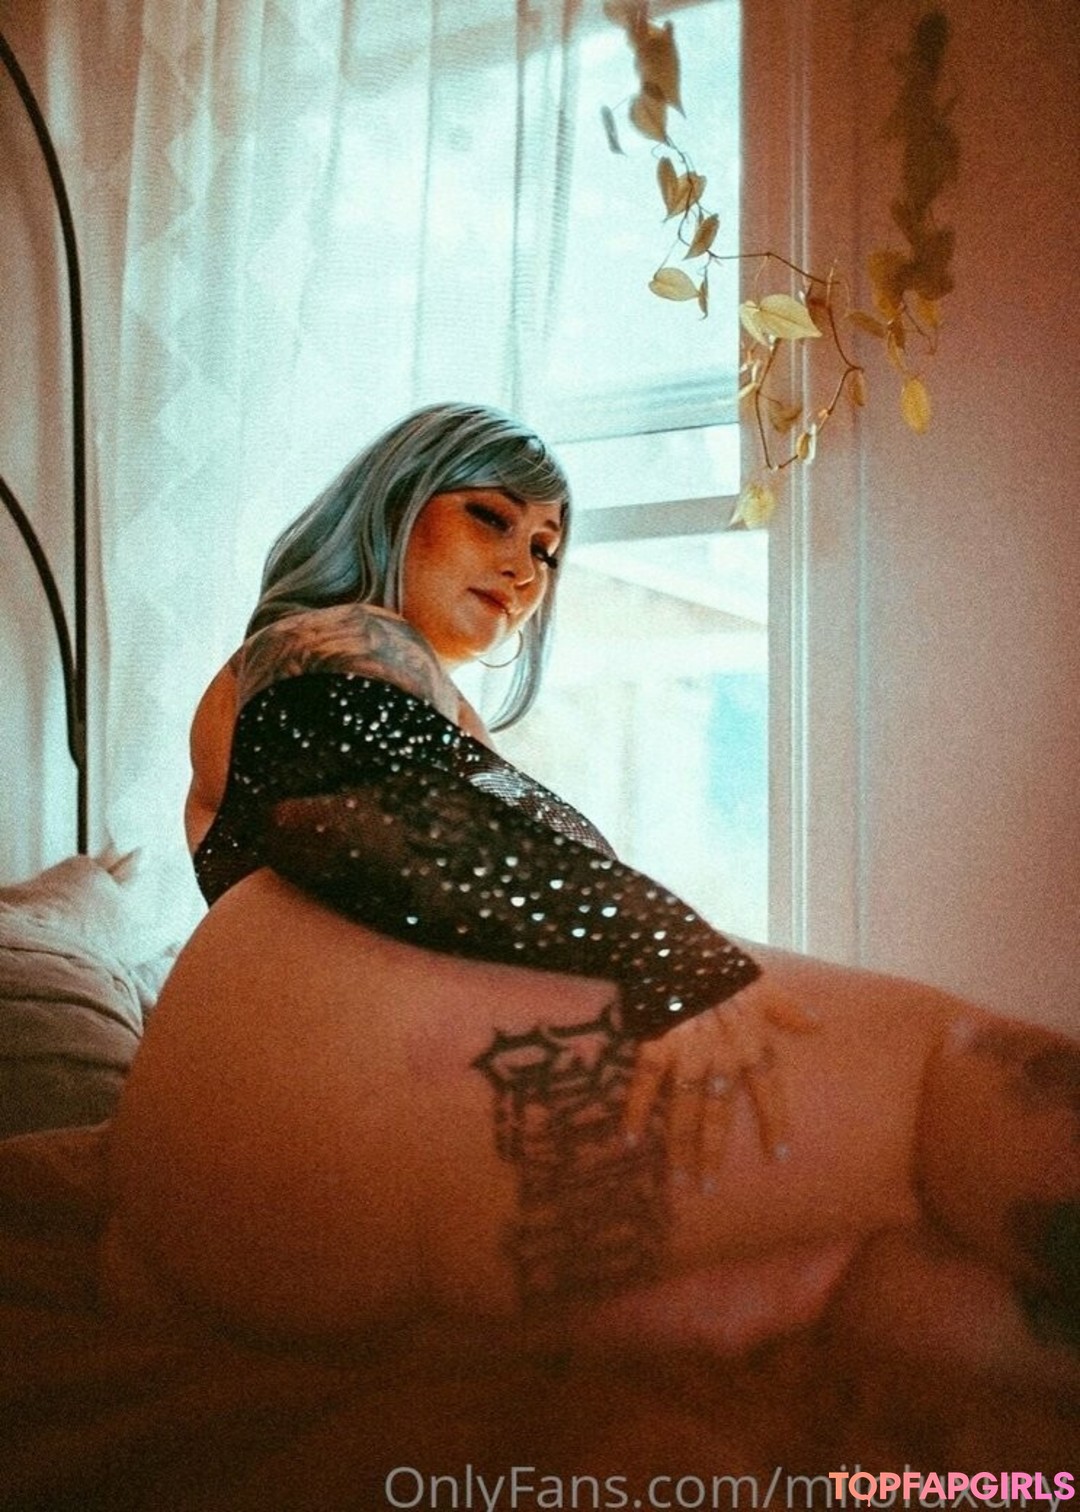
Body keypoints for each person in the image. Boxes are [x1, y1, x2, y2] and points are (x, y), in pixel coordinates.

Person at [100, 403, 1077, 1468]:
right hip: (327, 1122)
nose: (524, 567)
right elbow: (360, 796)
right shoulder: (332, 643)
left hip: (275, 1196)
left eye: (546, 550)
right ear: (389, 507)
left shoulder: (405, 695)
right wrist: (664, 946)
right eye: (490, 518)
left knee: (863, 1272)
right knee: (953, 1079)